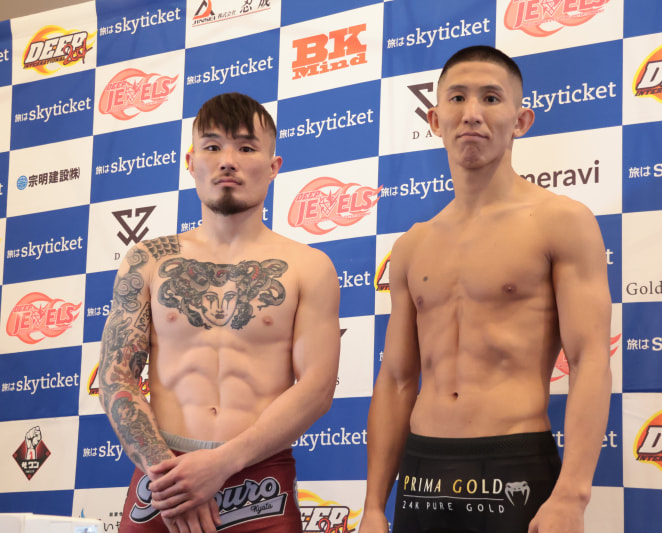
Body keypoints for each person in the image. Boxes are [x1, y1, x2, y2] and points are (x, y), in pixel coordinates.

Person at [361, 46, 612, 533]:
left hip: (513, 464)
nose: (472, 113)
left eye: (491, 98)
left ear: (521, 120)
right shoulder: (412, 244)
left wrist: (572, 494)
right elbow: (396, 379)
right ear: (435, 120)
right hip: (422, 472)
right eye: (457, 97)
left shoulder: (560, 221)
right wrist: (373, 505)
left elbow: (589, 360)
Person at [98, 92, 341, 533]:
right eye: (212, 146)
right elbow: (116, 378)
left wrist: (220, 464)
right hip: (162, 479)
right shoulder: (147, 261)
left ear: (273, 166)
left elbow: (317, 389)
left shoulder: (309, 266)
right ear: (191, 162)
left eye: (246, 147)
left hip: (259, 480)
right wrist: (170, 478)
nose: (228, 161)